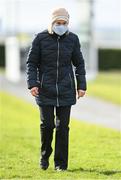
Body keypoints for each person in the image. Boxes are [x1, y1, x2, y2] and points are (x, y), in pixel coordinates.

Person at [26, 7, 87, 171]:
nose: (61, 25)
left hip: (66, 90)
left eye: (64, 23)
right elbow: (31, 63)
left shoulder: (73, 39)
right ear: (52, 22)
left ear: (68, 23)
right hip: (45, 89)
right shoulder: (40, 38)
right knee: (47, 126)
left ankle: (60, 164)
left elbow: (79, 64)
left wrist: (81, 85)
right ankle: (45, 156)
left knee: (63, 128)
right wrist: (33, 83)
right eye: (58, 22)